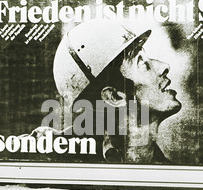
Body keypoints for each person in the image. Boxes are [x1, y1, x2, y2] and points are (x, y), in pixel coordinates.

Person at [37, 19, 183, 163]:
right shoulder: (66, 165)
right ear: (114, 97)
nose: (165, 66)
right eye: (142, 64)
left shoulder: (169, 174)